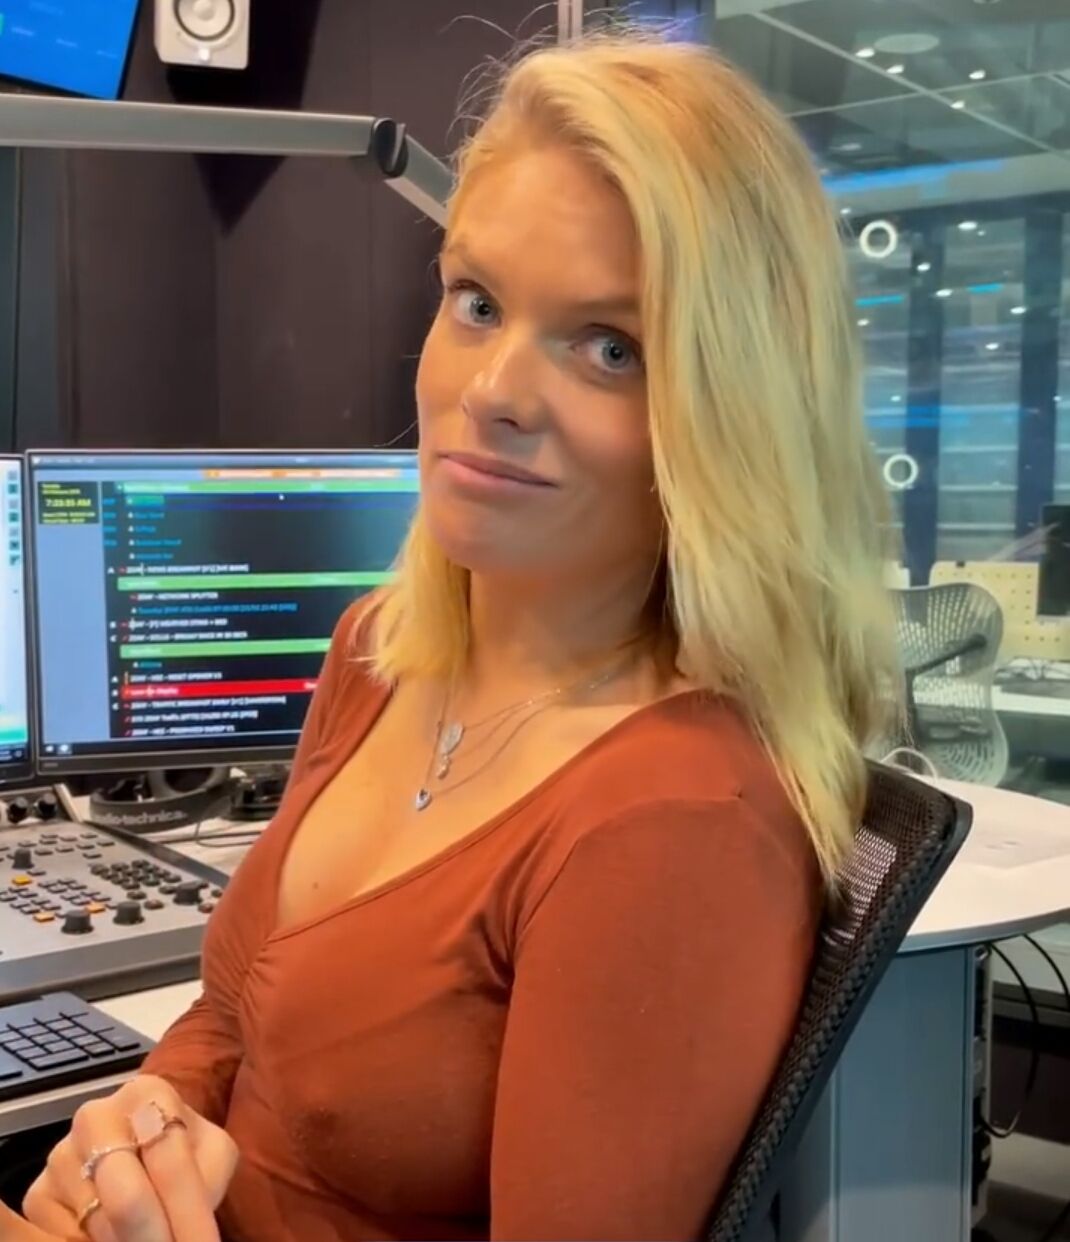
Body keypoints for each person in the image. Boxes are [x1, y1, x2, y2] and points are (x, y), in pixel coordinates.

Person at [5, 24, 898, 1242]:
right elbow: (236, 1014)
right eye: (476, 303)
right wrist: (141, 1122)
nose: (490, 393)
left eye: (608, 347)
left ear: (729, 410)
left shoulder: (670, 822)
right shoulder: (382, 650)